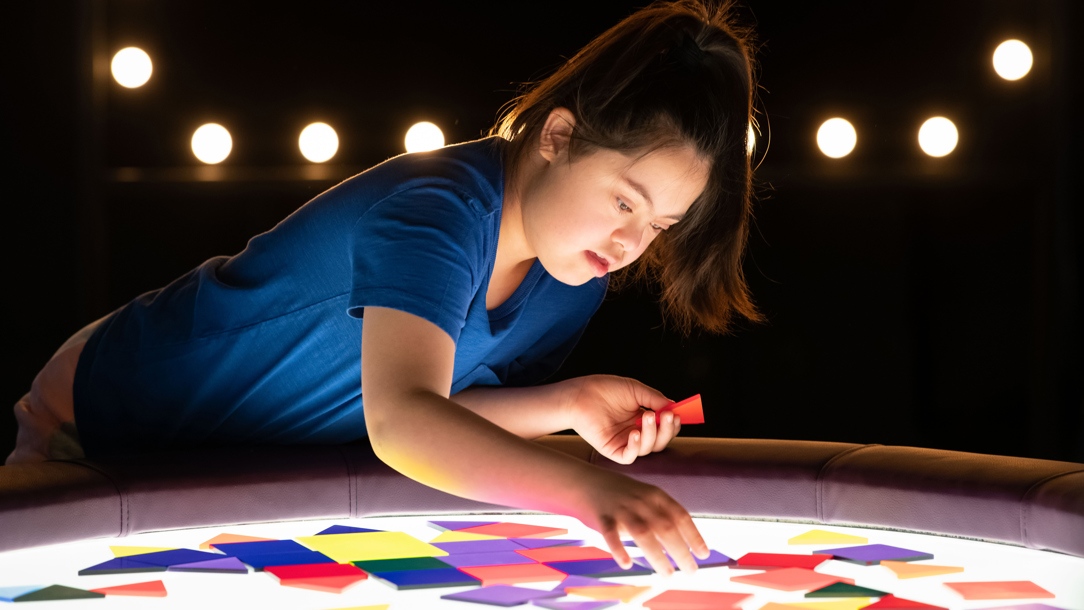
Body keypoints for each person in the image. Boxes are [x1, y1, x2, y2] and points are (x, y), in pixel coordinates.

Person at [7, 0, 764, 576]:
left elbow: (436, 407)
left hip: (226, 466)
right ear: (558, 136)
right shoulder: (439, 209)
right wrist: (588, 490)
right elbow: (402, 423)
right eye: (625, 201)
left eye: (661, 225)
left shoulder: (577, 276)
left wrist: (568, 404)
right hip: (100, 414)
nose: (632, 244)